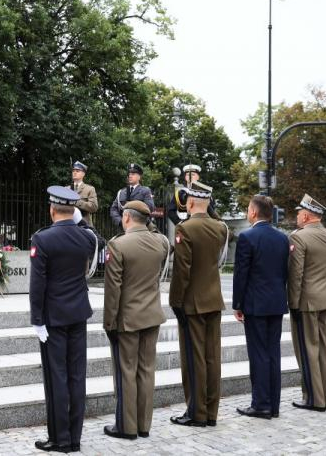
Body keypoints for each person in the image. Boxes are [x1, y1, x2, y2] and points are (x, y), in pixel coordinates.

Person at [30, 186, 97, 453]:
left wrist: (36, 319)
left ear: (52, 209)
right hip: (78, 314)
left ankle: (60, 439)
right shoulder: (86, 238)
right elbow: (98, 240)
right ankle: (75, 437)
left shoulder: (43, 239)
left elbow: (38, 284)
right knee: (77, 376)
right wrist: (78, 221)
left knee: (56, 377)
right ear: (74, 210)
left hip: (53, 319)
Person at [103, 200, 169, 440]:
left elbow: (113, 291)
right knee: (146, 371)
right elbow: (159, 237)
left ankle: (127, 427)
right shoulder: (160, 243)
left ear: (127, 218)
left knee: (126, 372)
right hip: (152, 316)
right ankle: (143, 425)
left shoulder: (118, 245)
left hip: (127, 319)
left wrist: (109, 323)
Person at [169, 181, 228, 427]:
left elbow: (182, 272)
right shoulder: (221, 228)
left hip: (192, 304)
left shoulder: (185, 228)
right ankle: (211, 412)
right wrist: (208, 209)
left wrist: (175, 302)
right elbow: (219, 223)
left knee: (194, 360)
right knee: (212, 358)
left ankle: (196, 413)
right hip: (214, 300)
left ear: (189, 202)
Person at [233, 195, 289, 419]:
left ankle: (261, 404)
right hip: (276, 303)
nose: (247, 212)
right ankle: (273, 404)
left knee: (258, 356)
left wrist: (238, 304)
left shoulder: (247, 237)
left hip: (255, 305)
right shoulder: (283, 238)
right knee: (273, 354)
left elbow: (241, 275)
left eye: (248, 209)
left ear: (254, 212)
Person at [288, 194, 326, 412]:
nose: (297, 216)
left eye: (299, 213)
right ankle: (325, 397)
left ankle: (313, 398)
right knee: (325, 349)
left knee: (308, 351)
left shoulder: (298, 237)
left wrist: (293, 304)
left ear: (307, 215)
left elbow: (296, 274)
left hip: (307, 301)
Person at [110, 164, 155, 228]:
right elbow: (113, 209)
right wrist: (120, 221)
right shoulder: (121, 192)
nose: (130, 176)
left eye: (133, 174)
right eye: (129, 174)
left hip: (140, 227)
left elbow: (149, 208)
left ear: (139, 177)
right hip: (124, 228)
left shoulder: (145, 191)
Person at [67, 161, 98, 226]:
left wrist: (76, 202)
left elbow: (94, 207)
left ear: (83, 174)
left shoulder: (89, 189)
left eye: (77, 171)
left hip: (84, 225)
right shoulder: (66, 189)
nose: (74, 173)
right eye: (73, 171)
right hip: (68, 224)